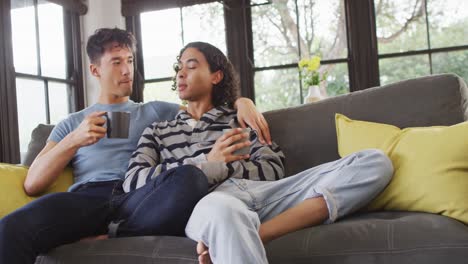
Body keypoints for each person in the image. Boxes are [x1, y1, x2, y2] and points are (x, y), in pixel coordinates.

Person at [0, 28, 271, 264]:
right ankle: (117, 228)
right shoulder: (71, 123)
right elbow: (32, 183)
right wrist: (74, 140)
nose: (127, 69)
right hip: (90, 197)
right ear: (95, 70)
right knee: (11, 228)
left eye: (129, 60)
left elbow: (203, 106)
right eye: (116, 62)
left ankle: (118, 231)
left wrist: (241, 102)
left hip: (142, 196)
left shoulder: (155, 111)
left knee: (191, 176)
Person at [124, 41, 394, 264]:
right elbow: (133, 181)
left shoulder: (240, 118)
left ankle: (259, 232)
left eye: (191, 66)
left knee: (374, 161)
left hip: (267, 196)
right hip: (208, 200)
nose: (181, 73)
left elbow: (273, 168)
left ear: (216, 76)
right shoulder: (159, 130)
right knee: (226, 213)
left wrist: (226, 165)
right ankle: (242, 229)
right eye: (178, 68)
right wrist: (207, 164)